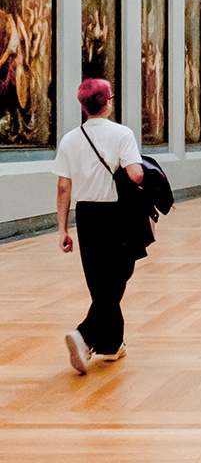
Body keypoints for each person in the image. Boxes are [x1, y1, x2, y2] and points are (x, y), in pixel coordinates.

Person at [56, 78, 145, 375]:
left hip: (87, 216)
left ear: (83, 106)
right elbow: (135, 175)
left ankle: (111, 345)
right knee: (118, 277)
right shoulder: (122, 134)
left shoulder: (69, 140)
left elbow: (63, 187)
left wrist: (62, 229)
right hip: (117, 214)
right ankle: (85, 335)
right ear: (108, 102)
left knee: (99, 280)